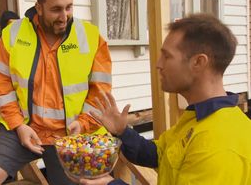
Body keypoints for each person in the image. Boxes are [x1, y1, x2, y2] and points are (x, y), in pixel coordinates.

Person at [80, 14, 251, 185]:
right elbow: (158, 154)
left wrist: (109, 184)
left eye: (167, 56)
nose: (158, 64)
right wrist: (122, 132)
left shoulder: (218, 144)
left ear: (198, 62)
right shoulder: (198, 118)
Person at [0, 0, 112, 185]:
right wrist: (18, 125)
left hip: (71, 135)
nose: (64, 16)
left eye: (69, 7)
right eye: (55, 9)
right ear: (39, 7)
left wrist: (82, 124)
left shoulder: (91, 37)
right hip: (22, 128)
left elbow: (100, 91)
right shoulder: (12, 34)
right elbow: (2, 85)